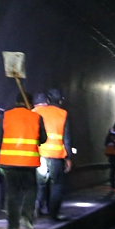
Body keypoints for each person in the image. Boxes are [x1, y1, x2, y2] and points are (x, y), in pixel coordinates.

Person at [0, 92, 47, 229]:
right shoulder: (36, 117)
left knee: (12, 193)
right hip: (29, 162)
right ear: (30, 103)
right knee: (30, 190)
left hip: (8, 161)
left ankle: (12, 225)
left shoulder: (6, 116)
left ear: (16, 102)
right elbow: (43, 138)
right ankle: (26, 216)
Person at [32, 88, 73, 220]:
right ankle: (53, 214)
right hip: (56, 156)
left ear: (48, 100)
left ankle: (36, 208)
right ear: (60, 101)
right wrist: (68, 158)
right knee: (56, 185)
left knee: (40, 184)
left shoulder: (36, 111)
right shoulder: (63, 114)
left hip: (40, 155)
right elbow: (67, 138)